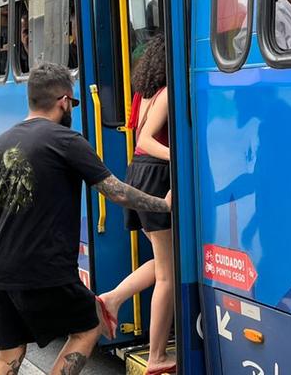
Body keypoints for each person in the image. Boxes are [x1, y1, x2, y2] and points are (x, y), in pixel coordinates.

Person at [0, 61, 171, 375]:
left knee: (9, 354)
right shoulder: (65, 140)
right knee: (88, 326)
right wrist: (164, 205)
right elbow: (116, 192)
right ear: (64, 100)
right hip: (43, 267)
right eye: (73, 103)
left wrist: (7, 244)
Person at [99, 34, 175, 375]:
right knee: (168, 277)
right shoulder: (166, 93)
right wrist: (180, 157)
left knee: (164, 264)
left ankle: (111, 299)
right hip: (156, 175)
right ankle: (157, 357)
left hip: (140, 174)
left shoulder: (144, 95)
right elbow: (145, 140)